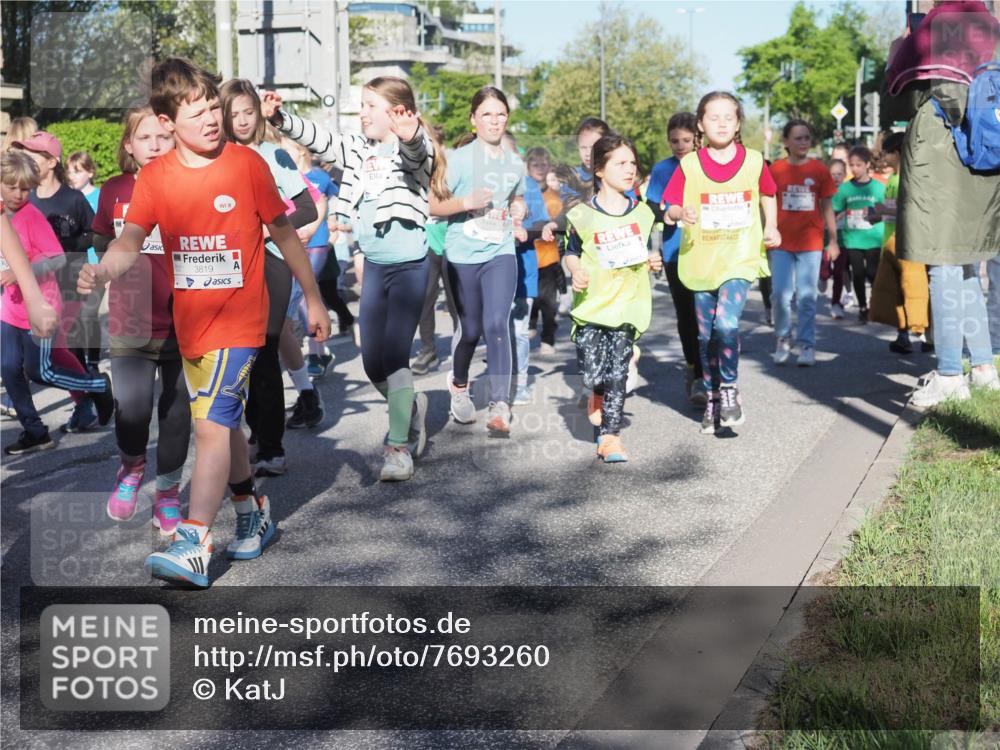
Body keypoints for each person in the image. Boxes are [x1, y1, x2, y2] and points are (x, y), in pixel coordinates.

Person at [78, 57, 330, 588]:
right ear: (169, 123)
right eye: (197, 113)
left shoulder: (246, 165)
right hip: (189, 324)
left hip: (241, 319)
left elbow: (284, 235)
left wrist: (313, 298)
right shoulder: (156, 176)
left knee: (211, 424)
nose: (212, 119)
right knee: (225, 425)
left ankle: (194, 539)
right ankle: (250, 511)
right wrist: (103, 271)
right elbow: (129, 239)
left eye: (214, 106)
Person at [262, 76, 441, 481]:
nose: (362, 112)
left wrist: (410, 133)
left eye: (370, 106)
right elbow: (321, 139)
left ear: (397, 111)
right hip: (374, 265)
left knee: (395, 354)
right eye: (362, 105)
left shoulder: (414, 147)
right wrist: (281, 118)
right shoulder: (358, 149)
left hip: (411, 265)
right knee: (372, 361)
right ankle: (411, 407)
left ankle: (398, 447)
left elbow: (419, 155)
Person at [885, 0, 1000, 406]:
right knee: (966, 264)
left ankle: (950, 373)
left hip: (940, 157)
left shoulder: (934, 29)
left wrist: (899, 49)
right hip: (984, 157)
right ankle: (984, 367)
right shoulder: (991, 27)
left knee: (943, 265)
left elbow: (898, 100)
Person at [90, 106, 191, 535]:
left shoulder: (190, 184)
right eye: (143, 138)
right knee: (131, 408)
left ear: (174, 140)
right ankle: (131, 467)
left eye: (161, 137)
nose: (153, 145)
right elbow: (99, 239)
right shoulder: (114, 189)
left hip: (186, 321)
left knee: (175, 413)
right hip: (130, 317)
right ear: (128, 146)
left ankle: (167, 494)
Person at [663, 91, 780, 434]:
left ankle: (729, 389)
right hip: (702, 261)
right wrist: (678, 212)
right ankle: (712, 396)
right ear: (700, 124)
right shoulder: (689, 165)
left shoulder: (755, 160)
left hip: (739, 259)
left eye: (728, 116)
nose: (722, 123)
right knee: (705, 336)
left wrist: (771, 225)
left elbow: (768, 194)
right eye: (713, 117)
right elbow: (669, 206)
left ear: (739, 122)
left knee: (726, 325)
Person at [220, 79, 320, 476]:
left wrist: (264, 230)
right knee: (241, 354)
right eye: (234, 113)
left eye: (249, 111)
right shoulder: (217, 158)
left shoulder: (272, 153)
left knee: (264, 348)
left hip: (274, 260)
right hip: (229, 267)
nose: (242, 120)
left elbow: (307, 209)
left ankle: (273, 448)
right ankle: (259, 435)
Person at [430, 86, 527, 436]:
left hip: (499, 250)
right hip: (461, 254)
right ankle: (458, 384)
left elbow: (517, 197)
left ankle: (500, 403)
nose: (495, 120)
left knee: (498, 324)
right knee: (470, 330)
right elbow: (432, 206)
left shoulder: (515, 163)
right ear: (473, 120)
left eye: (500, 114)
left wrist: (519, 208)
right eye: (487, 114)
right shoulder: (458, 160)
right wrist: (465, 202)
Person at [1, 150, 112, 455]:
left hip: (42, 305)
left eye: (25, 189)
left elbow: (57, 258)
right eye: (11, 187)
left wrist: (19, 271)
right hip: (9, 308)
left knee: (41, 372)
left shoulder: (31, 216)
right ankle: (35, 431)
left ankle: (98, 386)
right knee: (9, 369)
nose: (19, 195)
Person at [563, 133, 661, 462]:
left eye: (632, 163)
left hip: (628, 304)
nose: (630, 168)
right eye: (620, 163)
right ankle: (596, 393)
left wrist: (652, 261)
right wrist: (575, 270)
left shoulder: (644, 214)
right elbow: (570, 253)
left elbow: (644, 253)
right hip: (593, 305)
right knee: (594, 373)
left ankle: (610, 437)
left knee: (617, 372)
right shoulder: (581, 215)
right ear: (600, 170)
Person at [769, 119, 839, 367]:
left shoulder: (819, 169)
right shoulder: (776, 169)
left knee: (807, 297)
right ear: (786, 141)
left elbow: (827, 206)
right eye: (797, 138)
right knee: (780, 294)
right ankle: (782, 337)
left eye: (806, 138)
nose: (803, 142)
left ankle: (807, 345)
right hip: (781, 243)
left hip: (811, 242)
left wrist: (833, 240)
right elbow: (764, 203)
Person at [648, 111, 705, 403]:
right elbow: (651, 206)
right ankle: (695, 371)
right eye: (674, 141)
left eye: (686, 140)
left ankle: (712, 372)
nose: (680, 146)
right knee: (686, 315)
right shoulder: (662, 169)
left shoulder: (707, 165)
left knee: (707, 316)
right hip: (674, 252)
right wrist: (668, 214)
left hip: (708, 252)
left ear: (698, 138)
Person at [868, 131, 930, 355]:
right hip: (891, 241)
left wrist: (884, 210)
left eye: (888, 153)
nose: (884, 158)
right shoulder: (892, 180)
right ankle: (903, 335)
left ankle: (924, 332)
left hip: (910, 242)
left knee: (914, 290)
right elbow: (893, 211)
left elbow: (909, 210)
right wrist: (878, 216)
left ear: (898, 152)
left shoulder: (912, 178)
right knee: (896, 294)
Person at [412, 125, 458, 376]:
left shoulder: (452, 168)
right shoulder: (414, 166)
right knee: (425, 297)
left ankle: (460, 346)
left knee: (455, 300)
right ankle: (428, 348)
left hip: (451, 238)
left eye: (432, 143)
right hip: (425, 240)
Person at [831, 145, 884, 324]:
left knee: (872, 271)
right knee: (858, 273)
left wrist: (875, 213)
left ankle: (876, 302)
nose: (855, 169)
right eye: (852, 165)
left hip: (873, 237)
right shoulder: (845, 189)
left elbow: (885, 209)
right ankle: (863, 306)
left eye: (859, 165)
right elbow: (835, 208)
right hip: (852, 238)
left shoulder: (877, 187)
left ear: (868, 165)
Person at [528, 168, 564, 355]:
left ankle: (548, 338)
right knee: (531, 297)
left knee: (548, 301)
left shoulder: (553, 197)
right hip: (527, 255)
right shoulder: (521, 194)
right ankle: (531, 323)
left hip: (548, 256)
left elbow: (559, 223)